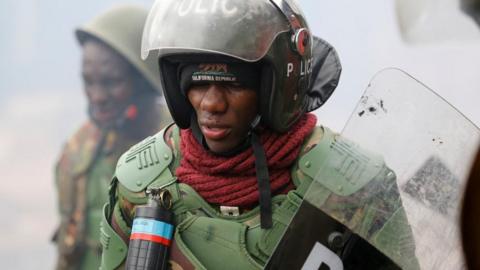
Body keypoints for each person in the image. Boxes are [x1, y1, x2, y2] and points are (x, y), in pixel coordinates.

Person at [100, 0, 417, 269]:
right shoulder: (141, 181)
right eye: (196, 83)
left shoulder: (351, 185)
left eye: (234, 84)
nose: (211, 103)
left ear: (276, 90)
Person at [52, 5, 170, 270]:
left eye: (111, 82)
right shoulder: (77, 155)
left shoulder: (185, 149)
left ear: (145, 79)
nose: (96, 96)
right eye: (88, 82)